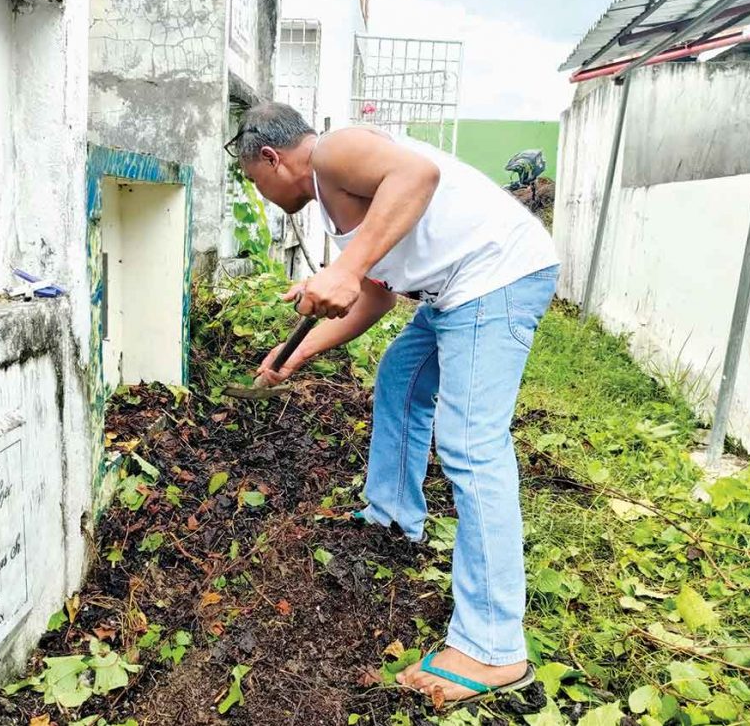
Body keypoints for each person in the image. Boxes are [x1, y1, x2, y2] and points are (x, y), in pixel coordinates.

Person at [227, 102, 559, 703]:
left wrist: (345, 268)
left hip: (493, 278)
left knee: (471, 445)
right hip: (453, 290)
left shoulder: (336, 151)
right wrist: (294, 354)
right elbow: (375, 296)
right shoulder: (340, 202)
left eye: (256, 182)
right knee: (400, 380)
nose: (262, 194)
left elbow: (417, 177)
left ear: (272, 158)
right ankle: (392, 518)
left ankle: (493, 647)